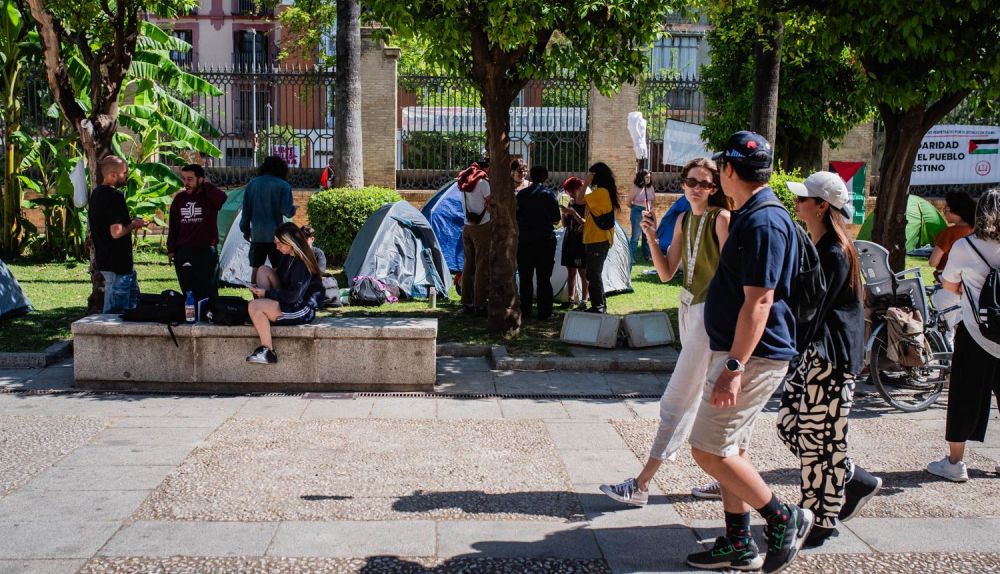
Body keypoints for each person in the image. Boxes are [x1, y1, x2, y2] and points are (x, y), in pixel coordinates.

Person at [685, 131, 811, 573]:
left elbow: (759, 300)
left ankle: (782, 517)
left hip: (752, 356)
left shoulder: (762, 221)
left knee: (707, 449)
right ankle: (738, 541)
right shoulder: (752, 213)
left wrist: (734, 366)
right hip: (741, 351)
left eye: (720, 168)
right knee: (730, 449)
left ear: (729, 170)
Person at [599, 157, 731, 507]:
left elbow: (734, 275)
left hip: (709, 313)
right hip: (688, 307)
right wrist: (652, 239)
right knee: (707, 398)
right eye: (691, 181)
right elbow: (666, 272)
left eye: (704, 183)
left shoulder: (722, 219)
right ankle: (729, 479)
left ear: (715, 188)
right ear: (682, 183)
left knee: (677, 399)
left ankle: (641, 484)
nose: (696, 188)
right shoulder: (685, 218)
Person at [780, 171, 883, 547]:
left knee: (817, 440)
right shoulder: (823, 245)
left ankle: (819, 519)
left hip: (830, 359)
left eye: (804, 198)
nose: (798, 202)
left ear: (822, 206)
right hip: (816, 356)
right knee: (792, 426)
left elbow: (812, 309)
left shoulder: (834, 252)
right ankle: (854, 478)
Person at [928, 188, 1000, 481]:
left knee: (964, 396)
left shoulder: (965, 247)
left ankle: (955, 463)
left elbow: (948, 285)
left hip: (975, 331)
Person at [246, 222, 323, 365]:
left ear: (291, 242)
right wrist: (258, 288)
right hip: (289, 300)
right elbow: (281, 279)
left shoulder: (303, 262)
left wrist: (267, 294)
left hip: (301, 309)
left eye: (280, 243)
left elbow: (294, 296)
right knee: (263, 269)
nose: (276, 247)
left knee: (254, 306)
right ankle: (263, 315)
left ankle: (268, 351)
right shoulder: (288, 256)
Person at [88, 155, 147, 313]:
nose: (127, 175)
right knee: (116, 313)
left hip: (109, 261)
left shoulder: (96, 194)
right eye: (125, 172)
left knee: (132, 306)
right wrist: (135, 224)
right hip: (117, 264)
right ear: (112, 175)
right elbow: (116, 232)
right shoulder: (115, 197)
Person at [167, 164, 227, 301]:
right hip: (184, 252)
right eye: (184, 179)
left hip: (206, 252)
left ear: (200, 180)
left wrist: (206, 186)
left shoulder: (209, 197)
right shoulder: (179, 199)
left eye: (190, 179)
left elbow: (222, 199)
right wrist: (171, 249)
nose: (186, 183)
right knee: (188, 291)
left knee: (209, 292)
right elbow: (173, 227)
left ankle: (209, 317)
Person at [240, 156, 296, 284]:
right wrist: (293, 209)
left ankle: (256, 297)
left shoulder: (252, 184)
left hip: (257, 235)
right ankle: (277, 296)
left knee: (256, 267)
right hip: (277, 236)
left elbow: (246, 211)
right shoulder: (283, 185)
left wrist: (246, 230)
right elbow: (287, 211)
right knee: (278, 267)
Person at [516, 165, 561, 320]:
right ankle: (545, 312)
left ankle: (525, 309)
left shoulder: (521, 195)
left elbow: (516, 216)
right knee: (543, 278)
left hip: (525, 240)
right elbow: (556, 219)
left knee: (525, 277)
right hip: (544, 241)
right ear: (544, 178)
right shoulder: (549, 195)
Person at [582, 162, 620, 314]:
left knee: (593, 274)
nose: (588, 176)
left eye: (590, 174)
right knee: (593, 273)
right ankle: (599, 305)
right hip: (597, 238)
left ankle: (598, 307)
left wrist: (585, 183)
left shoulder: (601, 193)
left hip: (597, 239)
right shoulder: (603, 192)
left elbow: (579, 199)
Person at [457, 158, 492, 316]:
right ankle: (480, 303)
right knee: (481, 265)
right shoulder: (483, 182)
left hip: (467, 226)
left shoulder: (464, 182)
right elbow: (491, 203)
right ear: (486, 168)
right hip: (482, 226)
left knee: (468, 264)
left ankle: (466, 302)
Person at [929, 190, 976, 279]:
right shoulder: (977, 231)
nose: (944, 212)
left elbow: (933, 262)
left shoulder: (948, 233)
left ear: (956, 211)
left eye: (946, 209)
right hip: (972, 279)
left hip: (949, 278)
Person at [560, 177, 589, 310]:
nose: (571, 194)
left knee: (583, 272)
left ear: (579, 188)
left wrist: (574, 213)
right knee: (571, 271)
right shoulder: (571, 202)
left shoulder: (587, 203)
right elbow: (565, 224)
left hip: (581, 241)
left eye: (572, 191)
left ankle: (584, 300)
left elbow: (586, 223)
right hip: (570, 239)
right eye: (568, 192)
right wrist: (564, 213)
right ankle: (570, 299)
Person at [628, 169, 655, 263]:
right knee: (635, 236)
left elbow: (653, 200)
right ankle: (631, 257)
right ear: (641, 177)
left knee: (646, 235)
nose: (649, 179)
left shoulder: (650, 187)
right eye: (646, 177)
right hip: (637, 211)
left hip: (648, 212)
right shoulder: (635, 187)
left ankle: (647, 255)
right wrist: (635, 209)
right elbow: (628, 202)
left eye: (649, 177)